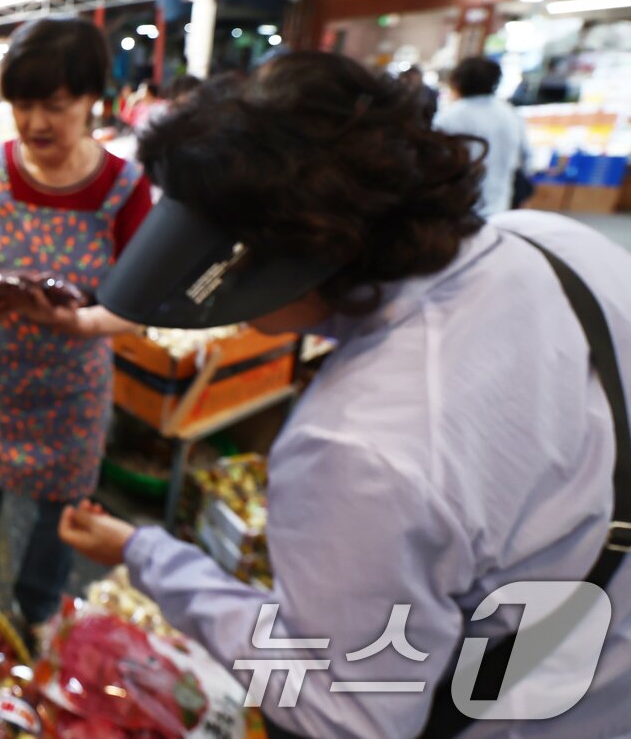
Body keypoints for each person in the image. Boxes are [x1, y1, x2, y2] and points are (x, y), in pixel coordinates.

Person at [59, 51, 631, 738]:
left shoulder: (359, 445)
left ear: (301, 253)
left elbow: (344, 710)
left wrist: (152, 558)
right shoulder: (556, 245)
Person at [0, 17, 152, 632]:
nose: (35, 123)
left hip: (71, 391)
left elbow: (138, 305)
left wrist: (82, 326)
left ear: (91, 100)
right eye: (22, 105)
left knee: (61, 517)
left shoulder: (125, 189)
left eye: (54, 105)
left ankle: (38, 613)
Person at [433, 57, 530, 215]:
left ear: (457, 82)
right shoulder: (510, 113)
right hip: (500, 204)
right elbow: (526, 157)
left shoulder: (449, 116)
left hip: (459, 206)